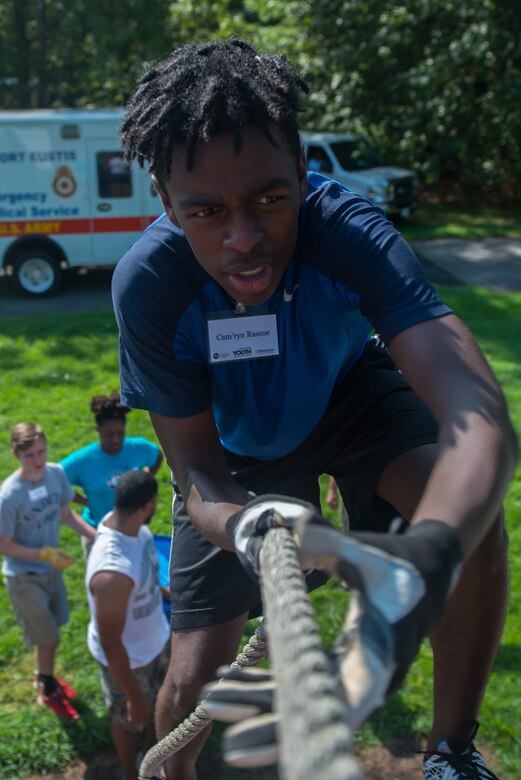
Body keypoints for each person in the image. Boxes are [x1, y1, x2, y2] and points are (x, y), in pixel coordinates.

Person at [112, 38, 517, 780]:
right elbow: (196, 469)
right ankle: (170, 773)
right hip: (231, 446)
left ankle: (451, 753)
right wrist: (241, 526)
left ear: (305, 172)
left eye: (269, 197)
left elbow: (475, 408)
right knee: (198, 676)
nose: (243, 239)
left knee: (470, 523)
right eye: (204, 211)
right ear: (166, 205)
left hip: (345, 393)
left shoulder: (348, 233)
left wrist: (433, 545)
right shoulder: (151, 285)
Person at [0, 422, 96, 721]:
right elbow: (3, 544)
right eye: (30, 455)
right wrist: (41, 553)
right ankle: (46, 684)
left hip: (50, 570)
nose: (38, 460)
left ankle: (44, 674)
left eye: (41, 451)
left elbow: (66, 514)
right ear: (17, 454)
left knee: (55, 626)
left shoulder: (55, 473)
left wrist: (98, 537)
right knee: (49, 637)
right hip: (23, 575)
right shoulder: (9, 496)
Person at [86, 469, 170, 780]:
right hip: (129, 661)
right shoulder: (112, 573)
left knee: (160, 707)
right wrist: (132, 695)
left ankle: (154, 757)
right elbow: (111, 643)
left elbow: (144, 568)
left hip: (157, 639)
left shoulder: (135, 529)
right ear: (147, 506)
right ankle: (130, 773)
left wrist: (160, 591)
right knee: (129, 720)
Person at [61, 392, 163, 554]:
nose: (116, 439)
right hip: (98, 533)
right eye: (109, 434)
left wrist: (146, 479)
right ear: (98, 430)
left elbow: (157, 456)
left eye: (120, 433)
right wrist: (84, 500)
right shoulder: (82, 461)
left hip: (134, 529)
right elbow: (57, 481)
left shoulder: (138, 448)